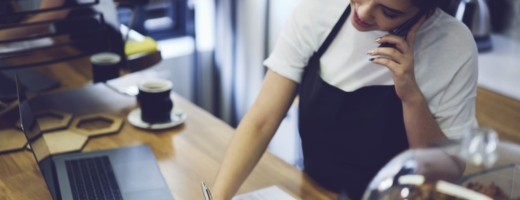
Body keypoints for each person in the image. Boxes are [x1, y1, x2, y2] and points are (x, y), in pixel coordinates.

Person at [212, 0, 479, 199]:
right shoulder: (319, 9)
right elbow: (262, 119)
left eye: (389, 12)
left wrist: (411, 97)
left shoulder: (453, 45)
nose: (362, 13)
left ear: (425, 11)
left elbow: (448, 172)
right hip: (314, 191)